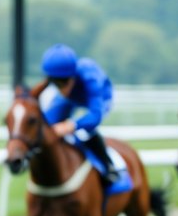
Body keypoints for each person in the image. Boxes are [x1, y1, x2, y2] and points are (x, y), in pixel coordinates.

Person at [39, 43, 120, 188]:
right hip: (72, 99)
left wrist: (70, 125)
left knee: (86, 129)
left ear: (73, 76)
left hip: (99, 98)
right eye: (54, 83)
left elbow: (95, 115)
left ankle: (108, 166)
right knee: (47, 125)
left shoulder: (90, 77)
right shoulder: (63, 86)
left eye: (63, 82)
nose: (60, 88)